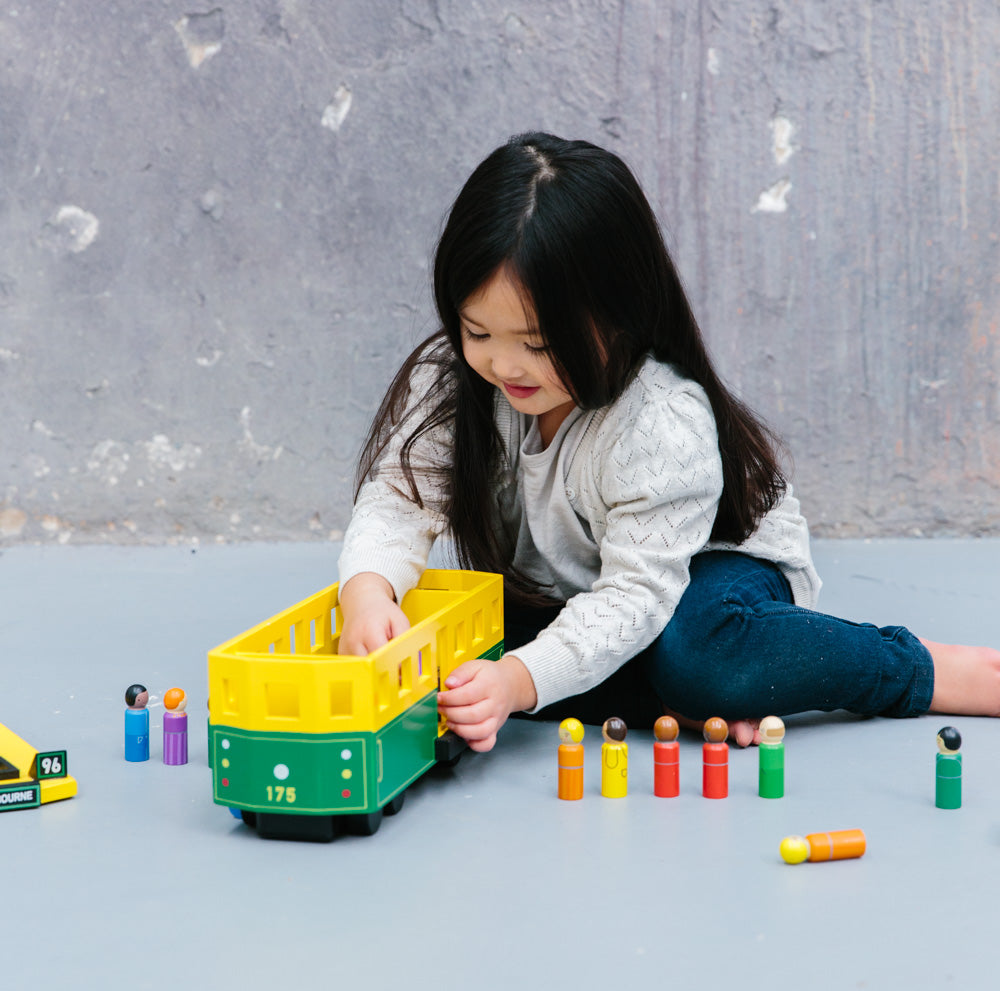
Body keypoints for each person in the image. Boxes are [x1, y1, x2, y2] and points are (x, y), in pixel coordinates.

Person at [336, 131, 1000, 753]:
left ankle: (918, 668)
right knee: (462, 651)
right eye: (477, 333)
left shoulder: (659, 423)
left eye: (538, 344)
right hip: (591, 587)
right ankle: (689, 698)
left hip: (713, 573)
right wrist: (367, 592)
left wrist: (516, 684)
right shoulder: (456, 385)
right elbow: (399, 497)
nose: (505, 366)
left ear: (618, 315)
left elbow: (636, 596)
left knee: (694, 655)